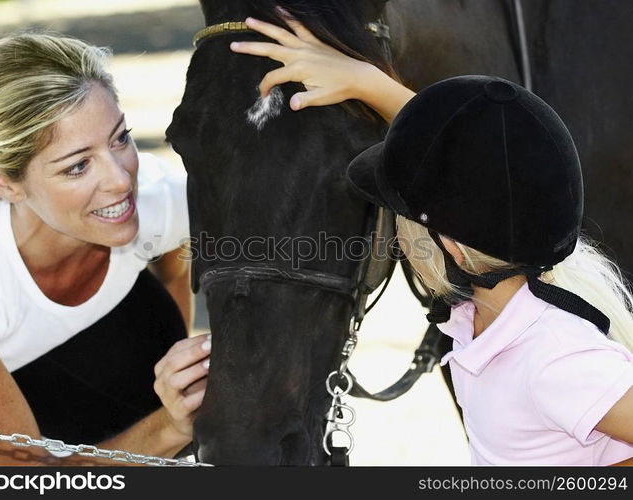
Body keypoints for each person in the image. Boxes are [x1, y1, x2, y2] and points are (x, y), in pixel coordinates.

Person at [232, 15, 633, 465]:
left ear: (452, 247)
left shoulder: (554, 358)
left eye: (404, 219)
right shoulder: (480, 320)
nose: (400, 237)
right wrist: (368, 82)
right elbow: (476, 159)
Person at [0, 33, 211, 465]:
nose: (121, 179)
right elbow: (25, 480)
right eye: (78, 165)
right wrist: (170, 425)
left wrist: (180, 368)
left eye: (120, 139)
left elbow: (175, 270)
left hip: (106, 417)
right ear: (4, 182)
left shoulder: (160, 199)